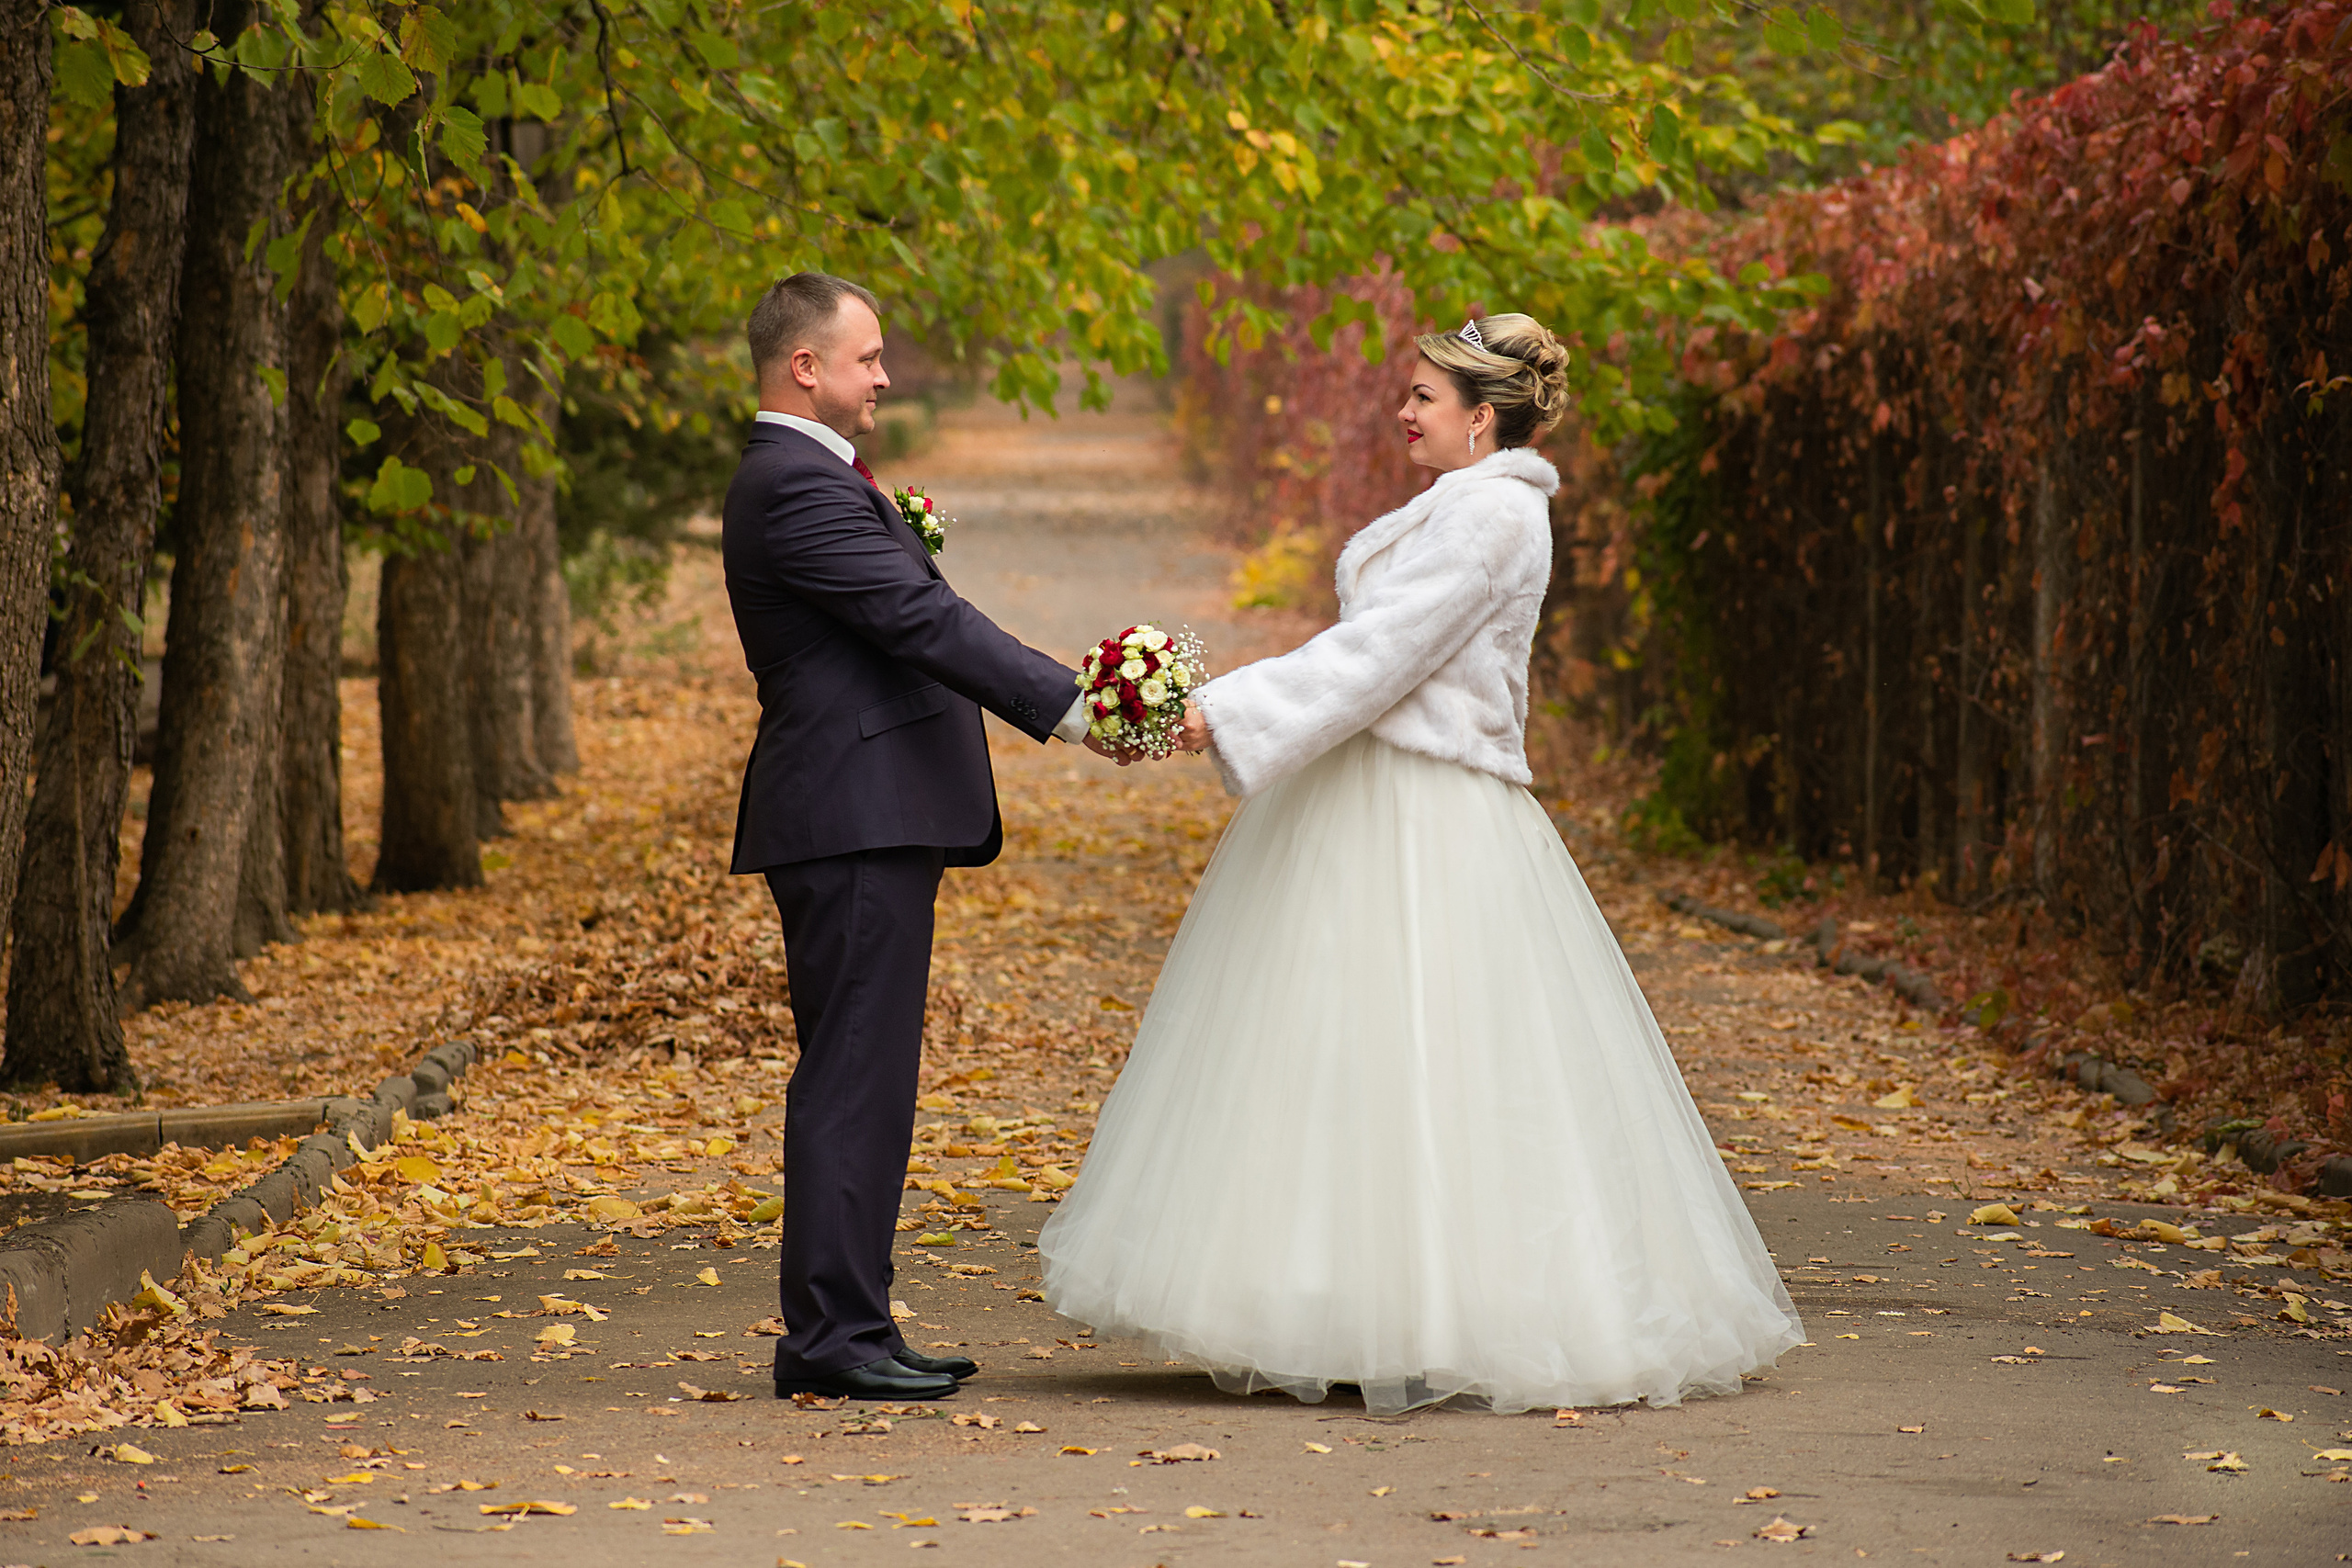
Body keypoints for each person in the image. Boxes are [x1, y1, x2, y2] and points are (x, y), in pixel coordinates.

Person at [1039, 313, 1806, 1414]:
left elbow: (1380, 654)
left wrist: (1225, 708)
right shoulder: (1469, 508)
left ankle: (1434, 1311)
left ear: (1481, 417)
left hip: (1425, 801)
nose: (1403, 412)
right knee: (1344, 1055)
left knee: (1429, 1058)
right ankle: (1342, 1296)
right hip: (1376, 787)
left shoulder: (1491, 517)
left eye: (1423, 398)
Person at [722, 272, 1106, 1401]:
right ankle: (831, 1341)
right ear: (806, 366)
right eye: (869, 357)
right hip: (849, 814)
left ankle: (855, 1323)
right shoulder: (795, 485)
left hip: (865, 814)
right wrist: (1073, 705)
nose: (885, 376)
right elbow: (916, 617)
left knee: (872, 1077)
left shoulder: (816, 478)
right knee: (853, 1077)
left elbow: (899, 609)